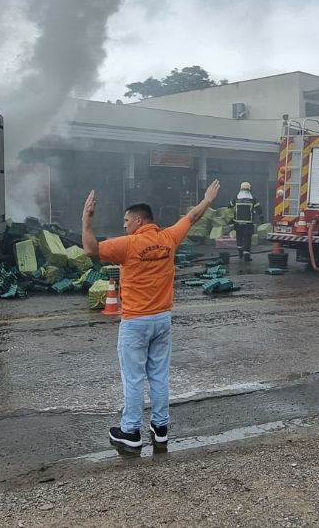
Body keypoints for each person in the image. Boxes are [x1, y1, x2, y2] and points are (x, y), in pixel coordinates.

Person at [82, 179, 221, 450]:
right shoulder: (168, 238)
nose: (123, 225)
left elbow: (91, 249)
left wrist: (86, 218)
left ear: (137, 220)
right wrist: (207, 199)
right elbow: (192, 217)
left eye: (126, 220)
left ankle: (131, 432)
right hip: (162, 319)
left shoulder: (127, 245)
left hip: (135, 322)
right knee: (158, 375)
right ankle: (160, 429)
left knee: (133, 378)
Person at [230, 181, 263, 262]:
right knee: (247, 239)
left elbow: (229, 206)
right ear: (249, 189)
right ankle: (246, 256)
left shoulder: (236, 198)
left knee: (239, 237)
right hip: (248, 223)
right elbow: (259, 209)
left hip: (237, 223)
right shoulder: (252, 199)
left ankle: (240, 253)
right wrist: (261, 218)